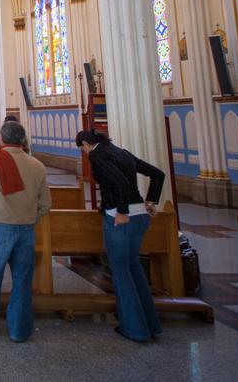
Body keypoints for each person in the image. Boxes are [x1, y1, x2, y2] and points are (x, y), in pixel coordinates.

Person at [75, 130, 165, 342]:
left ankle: (134, 328)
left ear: (87, 144)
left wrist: (122, 212)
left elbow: (118, 182)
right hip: (141, 216)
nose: (84, 152)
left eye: (82, 149)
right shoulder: (121, 152)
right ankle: (151, 324)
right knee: (133, 267)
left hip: (120, 218)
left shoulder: (97, 156)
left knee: (121, 272)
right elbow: (157, 174)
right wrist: (151, 201)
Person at [0, 121, 51, 342]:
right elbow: (45, 204)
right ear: (23, 140)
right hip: (26, 230)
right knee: (23, 281)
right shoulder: (37, 166)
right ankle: (19, 330)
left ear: (1, 138)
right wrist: (29, 219)